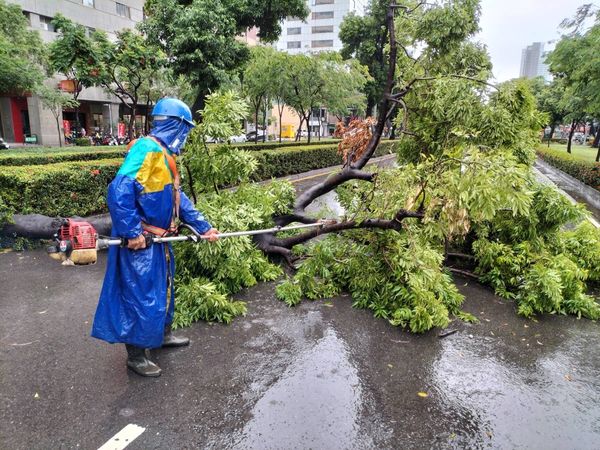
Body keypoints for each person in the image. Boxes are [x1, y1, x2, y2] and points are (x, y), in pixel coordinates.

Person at [91, 98, 219, 377]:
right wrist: (132, 232)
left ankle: (163, 335)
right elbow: (119, 191)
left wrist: (203, 226)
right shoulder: (146, 150)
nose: (185, 136)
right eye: (185, 130)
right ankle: (136, 356)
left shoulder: (164, 155)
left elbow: (177, 198)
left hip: (161, 243)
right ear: (175, 125)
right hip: (142, 244)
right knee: (140, 297)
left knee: (165, 290)